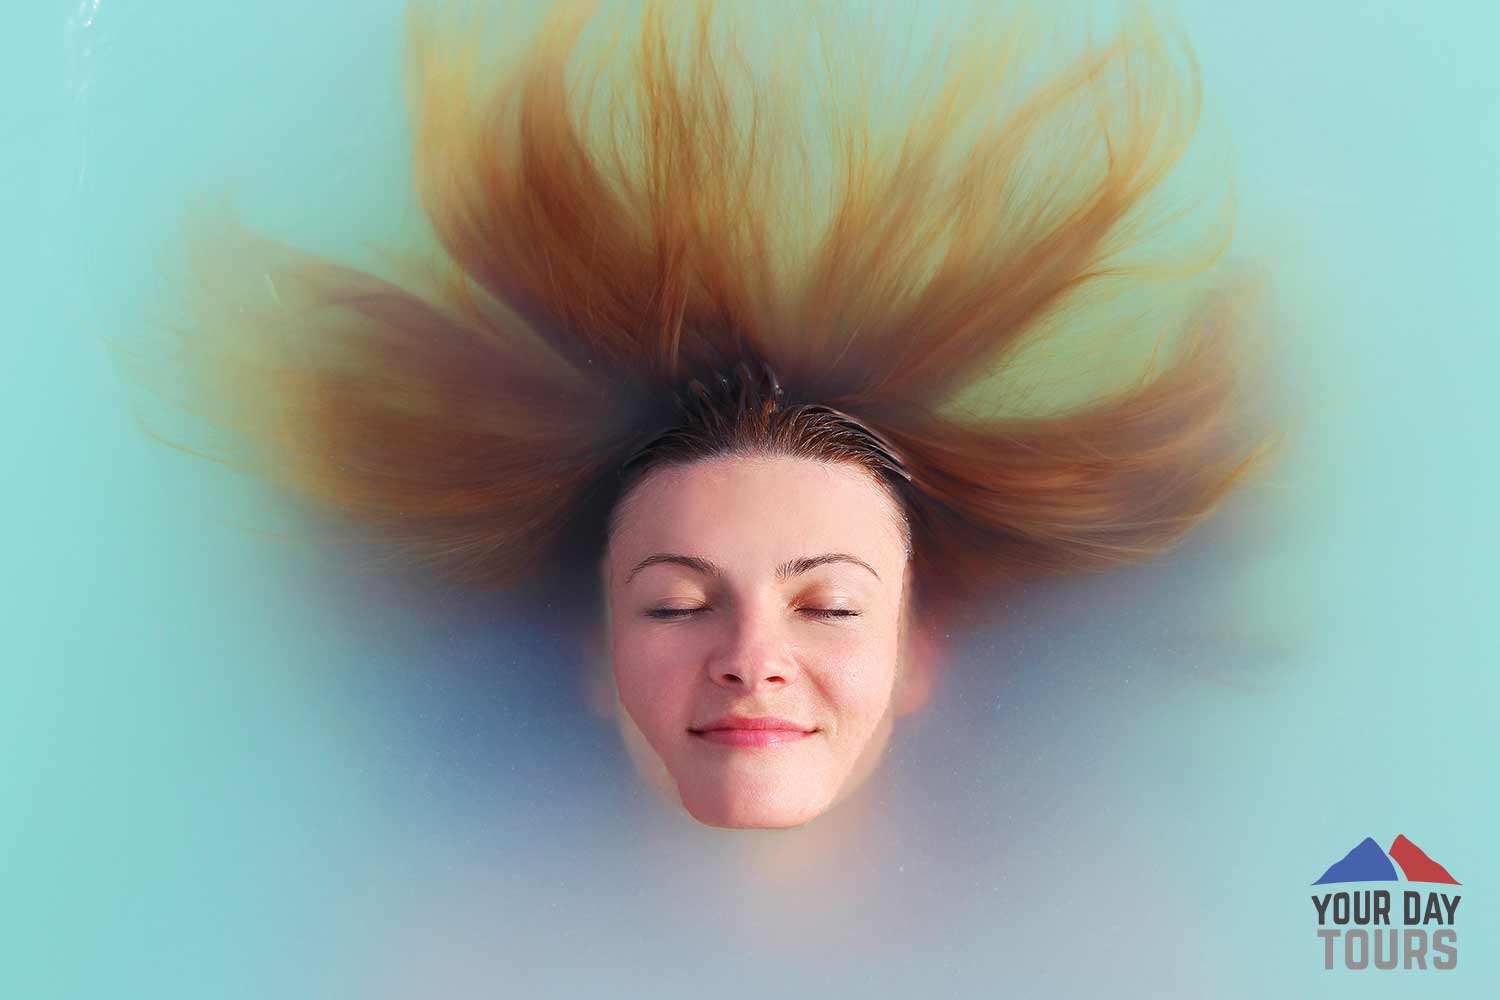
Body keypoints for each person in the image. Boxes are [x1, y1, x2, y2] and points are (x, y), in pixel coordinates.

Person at [111, 0, 1279, 829]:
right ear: (592, 651)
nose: (751, 661)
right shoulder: (439, 938)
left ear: (921, 652)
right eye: (676, 602)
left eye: (830, 604)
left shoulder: (1108, 926)